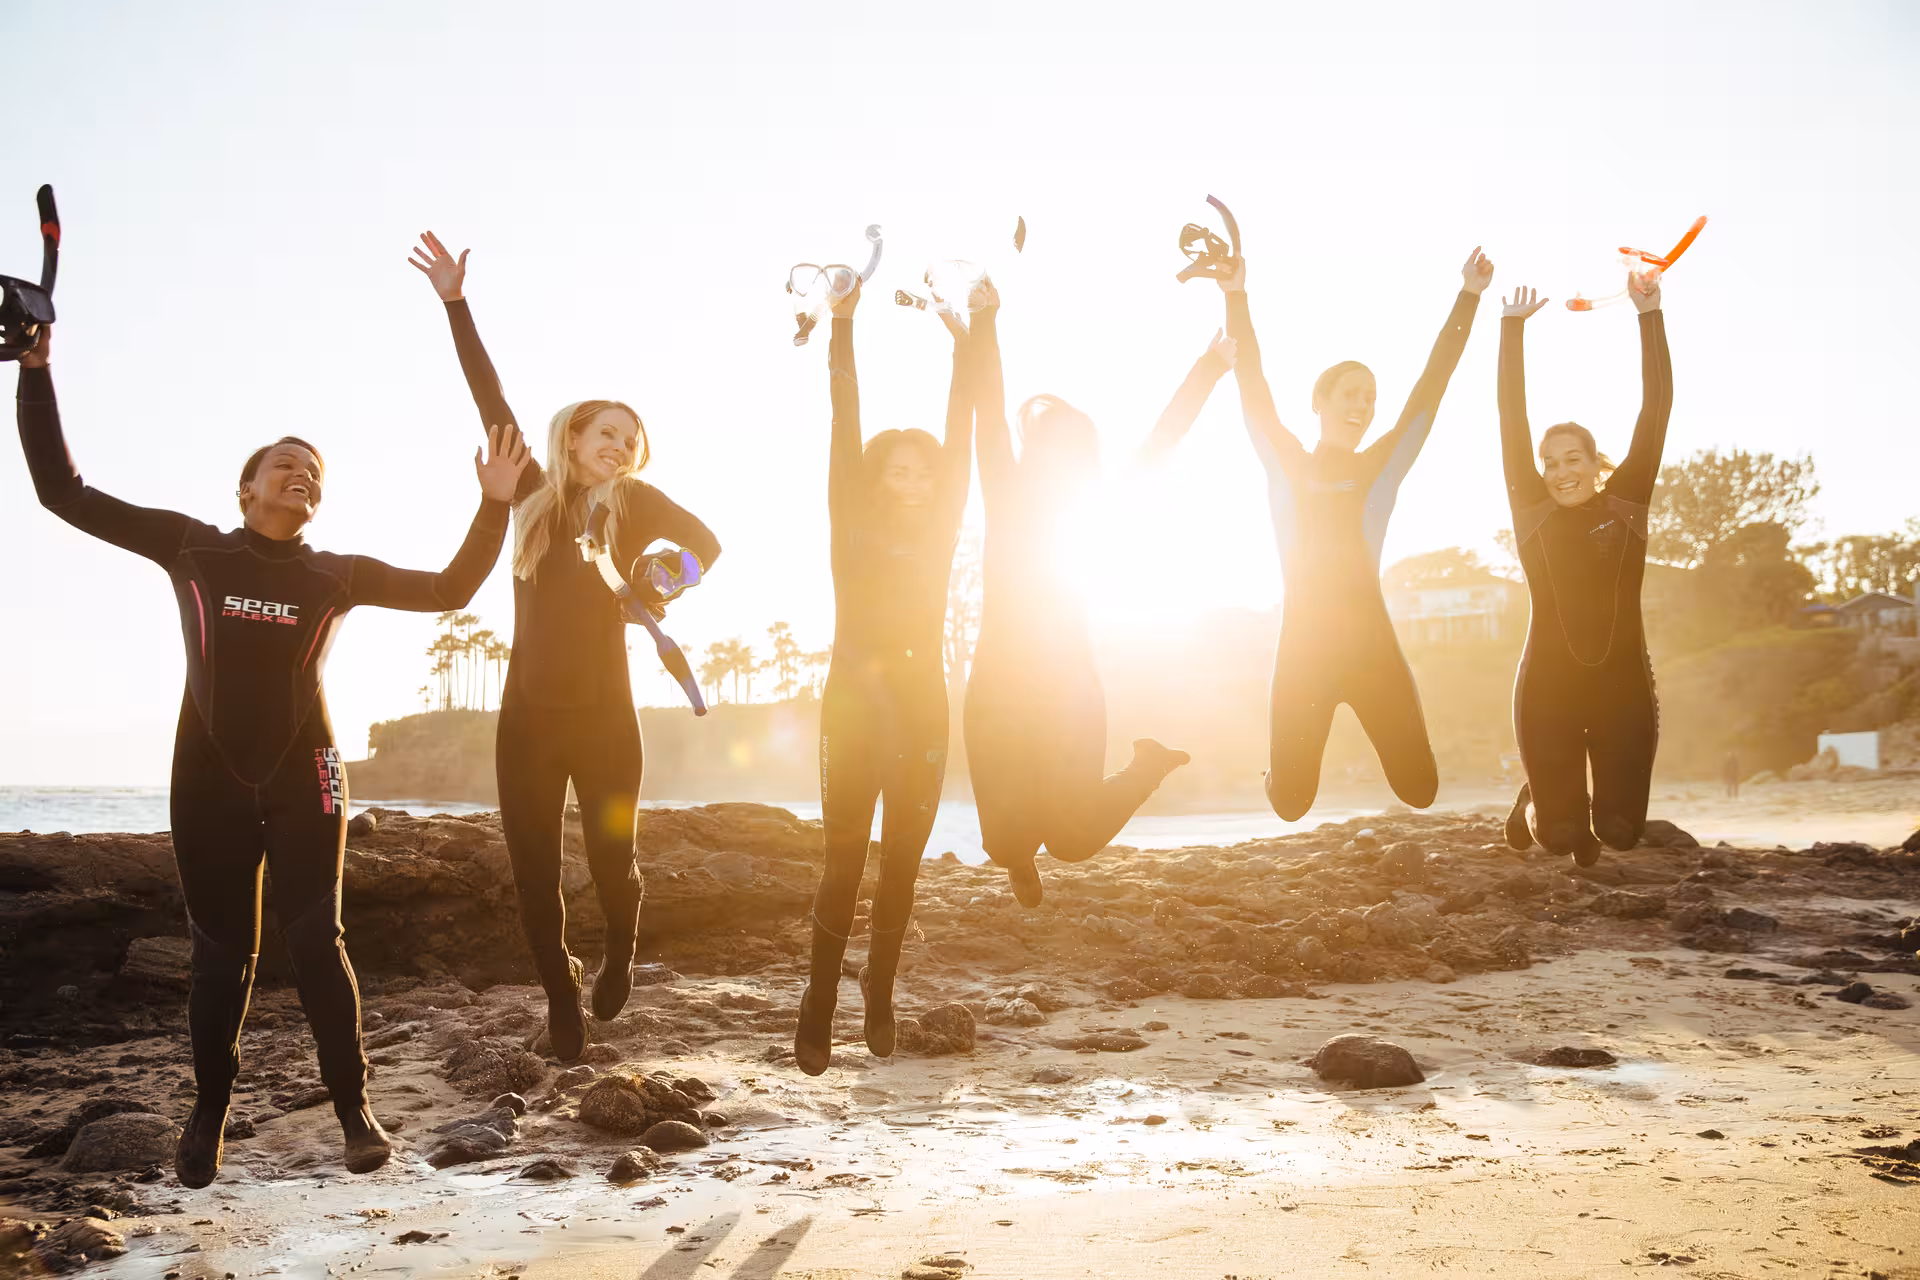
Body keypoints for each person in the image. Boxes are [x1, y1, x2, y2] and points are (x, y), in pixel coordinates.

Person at [14, 325, 528, 1187]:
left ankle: (354, 1111)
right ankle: (210, 1109)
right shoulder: (192, 546)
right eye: (286, 463)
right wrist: (38, 370)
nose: (303, 474)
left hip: (310, 772)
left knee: (317, 940)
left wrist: (495, 501)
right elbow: (61, 492)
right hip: (206, 775)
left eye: (316, 471)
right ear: (247, 486)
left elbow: (450, 591)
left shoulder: (336, 574)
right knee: (221, 955)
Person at [410, 233, 722, 1059]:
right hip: (529, 722)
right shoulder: (536, 493)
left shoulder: (636, 504)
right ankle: (560, 1000)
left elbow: (707, 545)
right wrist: (454, 301)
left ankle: (620, 946)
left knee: (614, 864)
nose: (619, 446)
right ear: (574, 437)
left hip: (609, 720)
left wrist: (663, 582)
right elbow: (488, 393)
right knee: (535, 876)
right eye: (607, 433)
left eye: (631, 438)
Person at [963, 297, 1233, 906]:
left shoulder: (1097, 510)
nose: (1060, 462)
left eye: (1074, 452)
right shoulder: (1006, 497)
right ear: (1033, 455)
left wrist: (1210, 366)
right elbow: (986, 416)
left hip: (1069, 690)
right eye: (1050, 449)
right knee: (1006, 844)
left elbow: (1162, 441)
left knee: (1073, 840)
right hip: (997, 690)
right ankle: (1017, 860)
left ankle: (1148, 765)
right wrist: (983, 323)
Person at [1222, 243, 1493, 820]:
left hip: (1372, 650)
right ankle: (1276, 768)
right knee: (1291, 804)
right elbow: (1251, 384)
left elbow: (1430, 391)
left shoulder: (1379, 469)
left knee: (1420, 790)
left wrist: (1468, 296)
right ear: (1318, 402)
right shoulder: (1287, 463)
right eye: (1350, 395)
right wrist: (1235, 295)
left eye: (1370, 398)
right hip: (1303, 652)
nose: (1363, 406)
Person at [795, 275, 973, 1075]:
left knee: (901, 860)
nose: (916, 481)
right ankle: (819, 999)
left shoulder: (941, 533)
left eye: (925, 473)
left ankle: (880, 990)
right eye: (899, 471)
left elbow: (961, 439)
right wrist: (842, 324)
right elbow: (844, 425)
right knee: (842, 861)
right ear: (874, 481)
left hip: (923, 709)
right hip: (852, 710)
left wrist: (968, 344)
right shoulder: (848, 523)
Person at [1497, 271, 1672, 865]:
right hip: (1547, 688)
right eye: (1549, 462)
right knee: (1563, 839)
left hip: (1623, 687)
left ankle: (1563, 794)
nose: (1560, 471)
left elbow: (1656, 407)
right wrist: (1511, 329)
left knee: (1621, 833)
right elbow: (1509, 416)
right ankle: (1538, 800)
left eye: (1573, 459)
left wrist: (1650, 314)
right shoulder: (1532, 512)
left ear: (1597, 464)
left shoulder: (1626, 502)